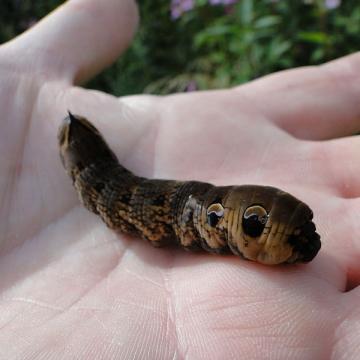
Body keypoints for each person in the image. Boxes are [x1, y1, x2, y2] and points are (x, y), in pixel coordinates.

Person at [0, 0, 359, 358]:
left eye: (257, 227)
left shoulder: (213, 225)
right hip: (114, 185)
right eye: (258, 226)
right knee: (112, 180)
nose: (308, 242)